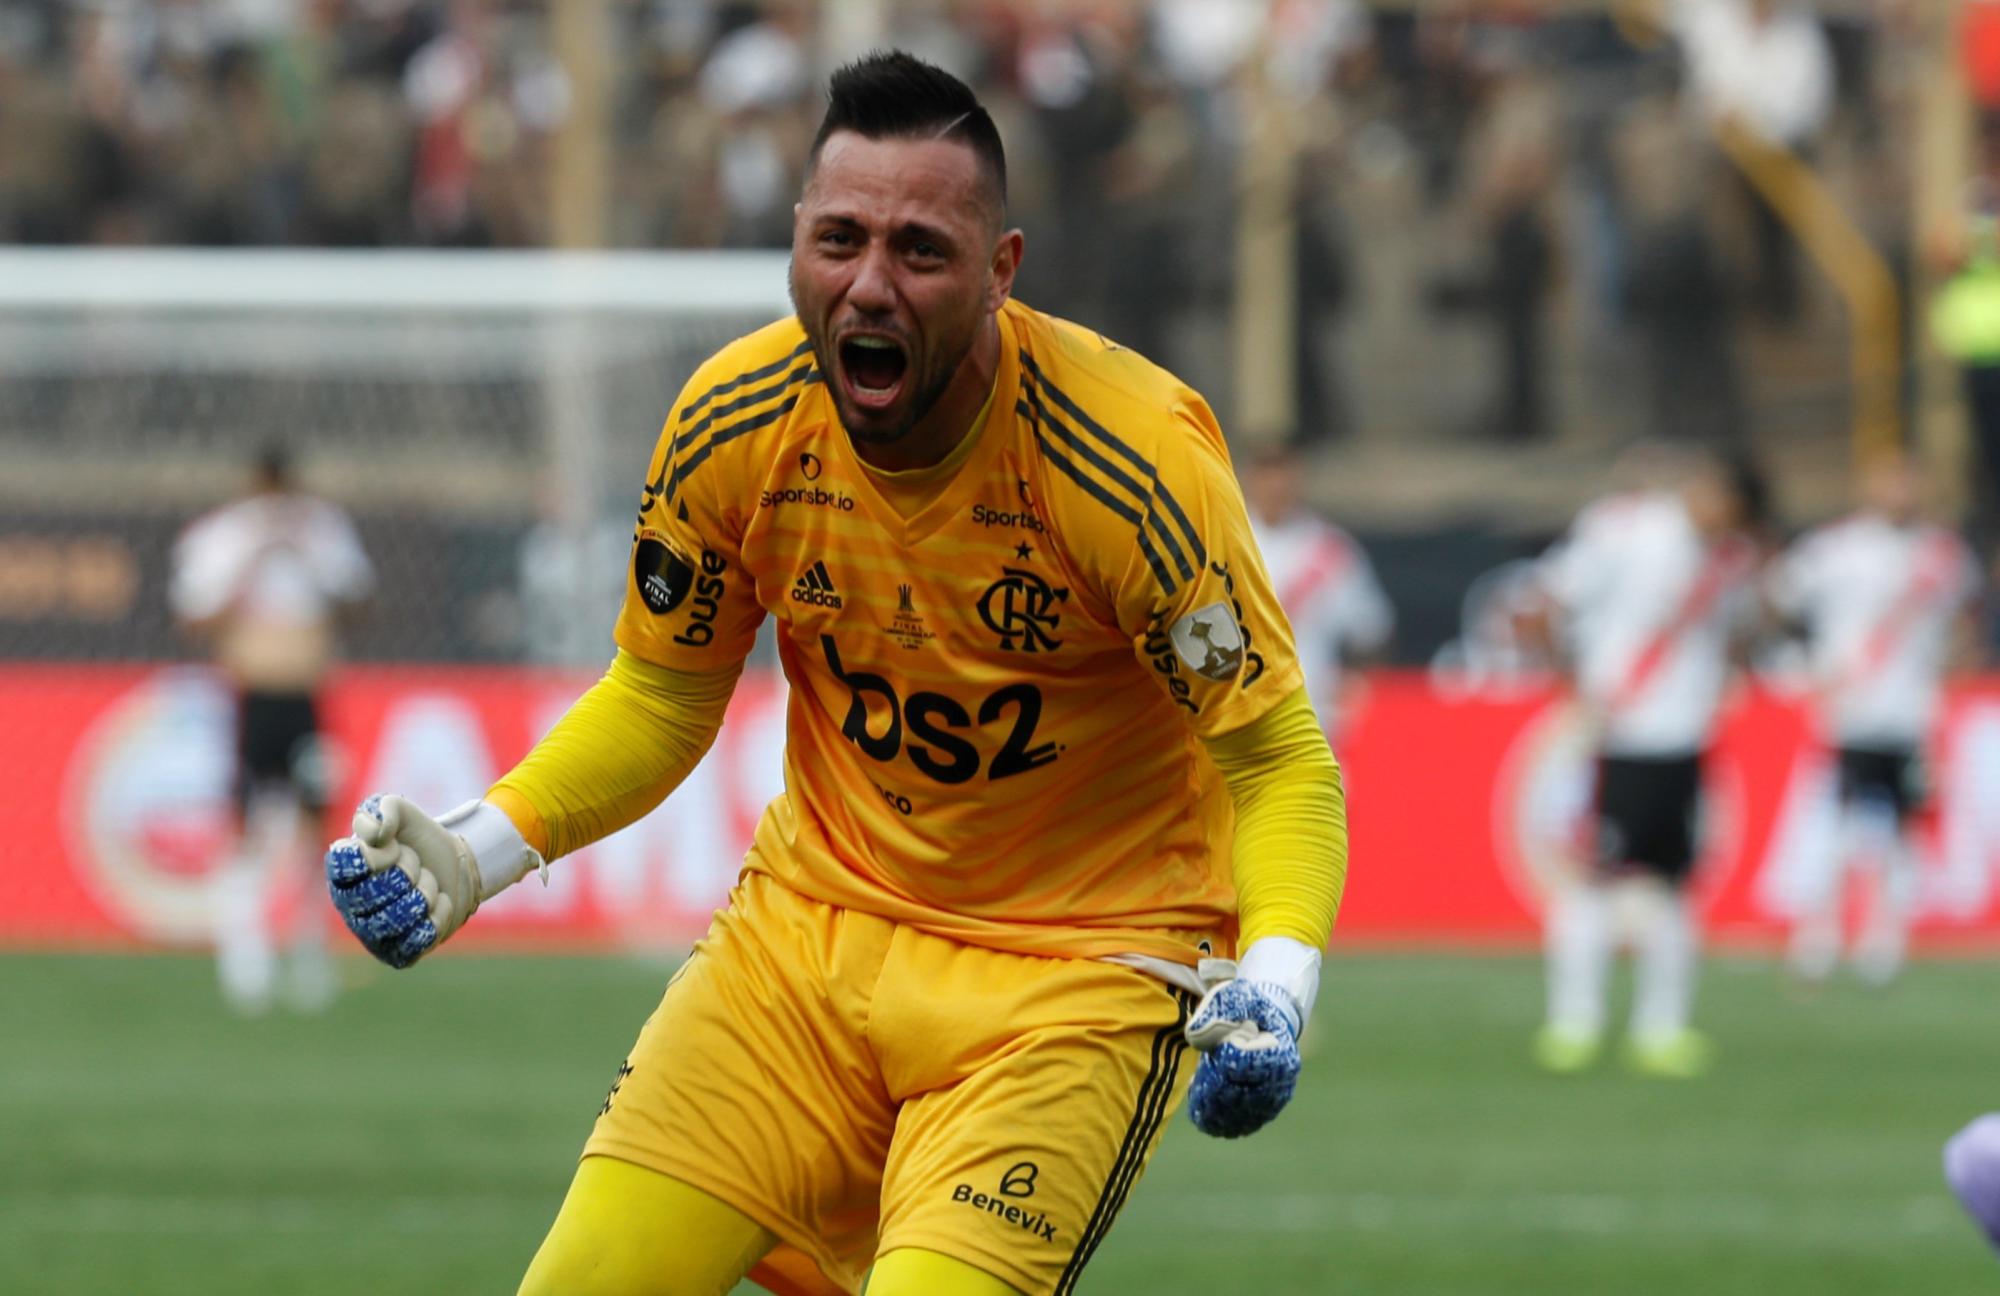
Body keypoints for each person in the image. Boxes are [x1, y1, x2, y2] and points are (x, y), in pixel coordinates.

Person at [323, 52, 1346, 1296]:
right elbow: (659, 697)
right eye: (839, 240)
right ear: (796, 241)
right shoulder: (735, 420)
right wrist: (476, 852)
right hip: (803, 947)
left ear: (1001, 270)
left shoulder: (1131, 462)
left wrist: (1277, 982)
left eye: (919, 251)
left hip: (1072, 982)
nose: (868, 284)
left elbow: (1278, 763)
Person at [1523, 449, 1767, 1078]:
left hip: (1684, 739)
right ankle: (1573, 1023)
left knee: (1672, 883)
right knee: (1594, 878)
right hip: (1620, 734)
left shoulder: (1729, 558)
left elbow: (1743, 629)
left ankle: (1661, 1029)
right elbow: (1547, 598)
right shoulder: (1626, 528)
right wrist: (1571, 679)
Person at [170, 443, 373, 1014]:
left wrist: (308, 560)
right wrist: (250, 567)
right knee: (246, 822)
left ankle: (309, 950)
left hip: (306, 694)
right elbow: (194, 615)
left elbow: (358, 601)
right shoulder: (226, 537)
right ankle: (245, 953)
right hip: (251, 694)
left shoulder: (321, 531)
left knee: (316, 822)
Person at [1766, 449, 1979, 986]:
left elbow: (1964, 618)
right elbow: (1780, 598)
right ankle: (1819, 933)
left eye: (1910, 482)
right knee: (1837, 824)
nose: (1902, 493)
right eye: (1891, 481)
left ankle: (1884, 940)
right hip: (1850, 711)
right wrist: (1808, 659)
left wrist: (1949, 663)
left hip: (1910, 714)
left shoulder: (1942, 553)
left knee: (1902, 830)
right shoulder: (1836, 548)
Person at [1241, 443, 1393, 741]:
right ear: (1248, 477)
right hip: (1242, 720)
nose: (1274, 485)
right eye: (1264, 472)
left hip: (1315, 721)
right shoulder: (1226, 544)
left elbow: (1373, 633)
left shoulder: (1329, 549)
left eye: (1281, 471)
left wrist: (1354, 682)